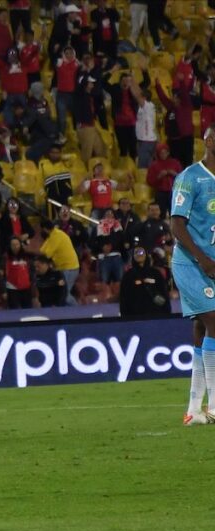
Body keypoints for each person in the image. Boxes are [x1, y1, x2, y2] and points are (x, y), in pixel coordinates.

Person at [169, 126, 215, 426]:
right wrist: (202, 259)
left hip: (212, 262)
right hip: (191, 263)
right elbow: (176, 224)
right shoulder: (190, 177)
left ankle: (193, 410)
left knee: (202, 327)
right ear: (209, 142)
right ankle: (214, 405)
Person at [120, 246, 171, 317]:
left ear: (146, 255)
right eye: (136, 253)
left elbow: (164, 293)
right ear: (133, 256)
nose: (139, 254)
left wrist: (167, 314)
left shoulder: (155, 273)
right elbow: (123, 298)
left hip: (156, 315)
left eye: (141, 252)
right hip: (134, 317)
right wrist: (125, 318)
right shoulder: (128, 276)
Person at [39, 219, 80, 306]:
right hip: (62, 268)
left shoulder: (57, 236)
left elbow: (47, 254)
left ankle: (79, 311)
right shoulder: (52, 235)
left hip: (69, 268)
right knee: (61, 294)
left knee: (64, 294)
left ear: (45, 229)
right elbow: (42, 250)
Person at [4, 237, 33, 309]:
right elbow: (2, 275)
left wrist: (31, 283)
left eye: (17, 244)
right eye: (13, 245)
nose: (15, 247)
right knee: (14, 312)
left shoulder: (27, 257)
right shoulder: (5, 257)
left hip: (26, 288)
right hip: (12, 288)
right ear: (10, 246)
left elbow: (32, 271)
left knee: (28, 310)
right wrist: (3, 291)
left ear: (20, 245)